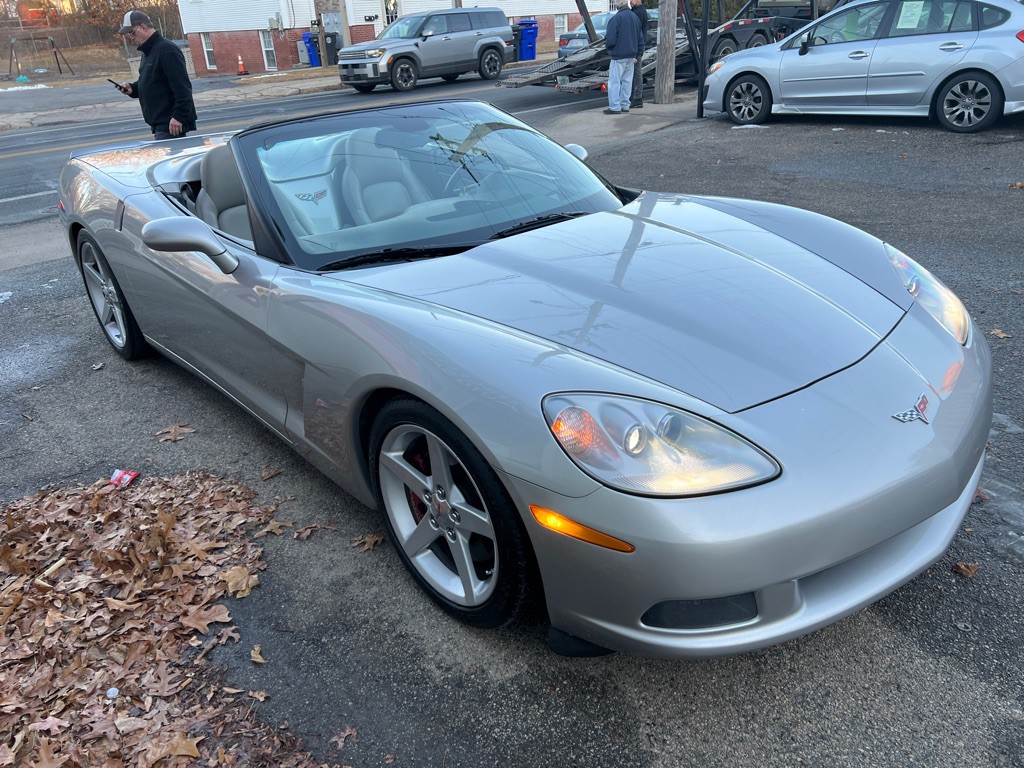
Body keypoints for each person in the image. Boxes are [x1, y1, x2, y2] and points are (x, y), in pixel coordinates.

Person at [113, 10, 197, 139]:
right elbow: (151, 82)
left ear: (143, 27)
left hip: (171, 126)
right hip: (160, 126)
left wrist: (179, 116)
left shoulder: (167, 50)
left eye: (132, 32)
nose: (131, 37)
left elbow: (183, 87)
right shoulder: (148, 52)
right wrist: (132, 89)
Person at [602, 0, 644, 115]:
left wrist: (609, 49)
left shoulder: (615, 19)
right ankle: (625, 105)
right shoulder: (635, 18)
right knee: (627, 81)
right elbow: (640, 38)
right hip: (632, 55)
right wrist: (638, 53)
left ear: (618, 4)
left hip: (618, 55)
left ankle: (615, 107)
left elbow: (610, 40)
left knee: (614, 82)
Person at [629, 0, 651, 109]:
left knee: (636, 73)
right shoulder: (636, 10)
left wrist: (638, 50)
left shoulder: (639, 12)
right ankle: (634, 96)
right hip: (636, 46)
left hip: (637, 46)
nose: (630, 1)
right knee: (634, 73)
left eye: (632, 0)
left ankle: (637, 98)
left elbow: (637, 32)